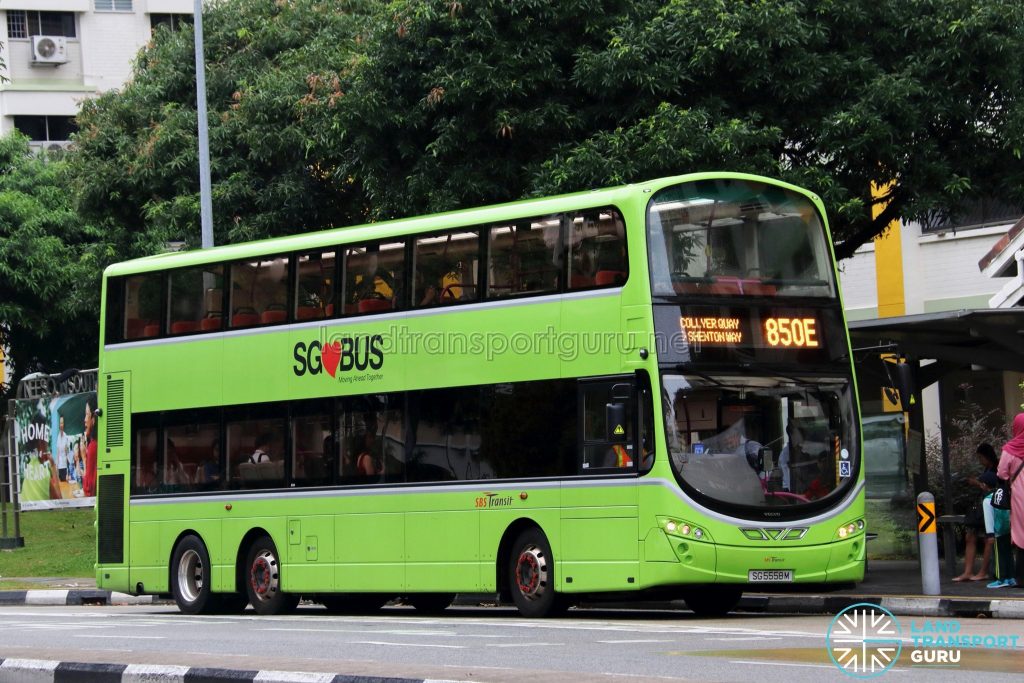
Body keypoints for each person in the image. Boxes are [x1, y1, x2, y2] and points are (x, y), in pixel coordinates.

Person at [953, 443, 999, 582]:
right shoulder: (987, 469)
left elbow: (994, 489)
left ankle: (983, 571)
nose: (980, 461)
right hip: (980, 508)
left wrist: (977, 483)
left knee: (988, 539)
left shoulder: (997, 469)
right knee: (970, 536)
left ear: (986, 456)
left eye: (981, 457)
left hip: (991, 507)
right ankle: (968, 571)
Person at [997, 414, 1024, 588]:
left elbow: (1001, 473)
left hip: (1020, 497)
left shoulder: (1010, 449)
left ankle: (1021, 578)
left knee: (1022, 535)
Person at [778, 424, 804, 492]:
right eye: (798, 433)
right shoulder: (786, 454)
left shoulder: (800, 450)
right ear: (791, 435)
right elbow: (787, 474)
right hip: (789, 489)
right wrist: (793, 491)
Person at [82, 397, 98, 497]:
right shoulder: (95, 443)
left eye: (87, 414)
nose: (84, 420)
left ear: (93, 419)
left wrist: (83, 458)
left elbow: (88, 490)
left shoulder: (93, 446)